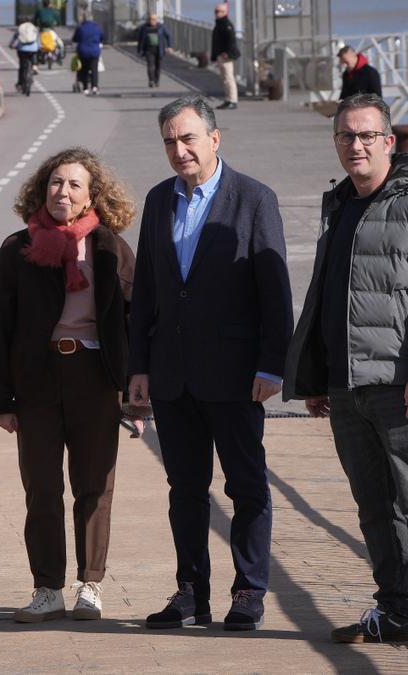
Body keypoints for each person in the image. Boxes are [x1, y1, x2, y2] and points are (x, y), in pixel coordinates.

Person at [283, 93, 408, 649]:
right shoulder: (341, 202)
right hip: (347, 385)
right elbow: (328, 296)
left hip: (400, 383)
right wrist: (318, 377)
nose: (356, 145)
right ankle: (393, 610)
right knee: (373, 506)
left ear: (389, 141)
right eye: (346, 135)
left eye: (367, 135)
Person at [129, 96, 292, 632]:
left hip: (236, 374)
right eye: (170, 141)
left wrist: (273, 364)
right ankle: (190, 593)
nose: (179, 150)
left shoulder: (254, 199)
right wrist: (139, 366)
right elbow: (147, 290)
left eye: (188, 138)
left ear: (215, 139)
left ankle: (248, 590)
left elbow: (275, 290)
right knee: (185, 490)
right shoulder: (158, 200)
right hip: (172, 375)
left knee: (246, 487)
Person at [0, 147, 142, 624]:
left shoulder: (111, 248)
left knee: (95, 486)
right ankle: (47, 588)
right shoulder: (17, 248)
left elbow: (136, 322)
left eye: (75, 184)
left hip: (96, 379)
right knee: (42, 488)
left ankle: (90, 585)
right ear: (42, 189)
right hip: (37, 380)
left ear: (92, 195)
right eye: (55, 182)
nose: (63, 192)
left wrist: (135, 398)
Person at [211, 3, 240, 110]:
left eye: (219, 11)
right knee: (224, 79)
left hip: (226, 56)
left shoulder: (226, 24)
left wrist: (228, 53)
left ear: (225, 12)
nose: (217, 14)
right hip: (220, 55)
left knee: (229, 78)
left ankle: (233, 100)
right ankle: (228, 100)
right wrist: (215, 56)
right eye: (216, 11)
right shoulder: (219, 24)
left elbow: (231, 41)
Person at [137, 13, 172, 88]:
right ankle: (151, 81)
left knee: (158, 66)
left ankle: (157, 80)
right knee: (150, 65)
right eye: (150, 19)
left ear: (157, 20)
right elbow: (140, 39)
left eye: (153, 19)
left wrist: (169, 46)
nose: (152, 21)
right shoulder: (144, 27)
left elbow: (168, 36)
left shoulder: (161, 27)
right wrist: (139, 49)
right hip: (148, 50)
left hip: (159, 49)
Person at [72, 14, 104, 96]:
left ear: (84, 19)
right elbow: (102, 37)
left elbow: (75, 39)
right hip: (94, 51)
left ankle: (85, 88)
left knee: (84, 70)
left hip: (83, 52)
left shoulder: (80, 28)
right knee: (94, 70)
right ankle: (94, 87)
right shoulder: (97, 27)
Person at [10, 16, 40, 96]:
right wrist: (39, 47)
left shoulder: (20, 28)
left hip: (22, 49)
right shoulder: (34, 28)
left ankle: (20, 83)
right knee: (34, 54)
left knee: (22, 67)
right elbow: (37, 39)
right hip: (33, 48)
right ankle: (35, 66)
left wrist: (11, 45)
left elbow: (14, 38)